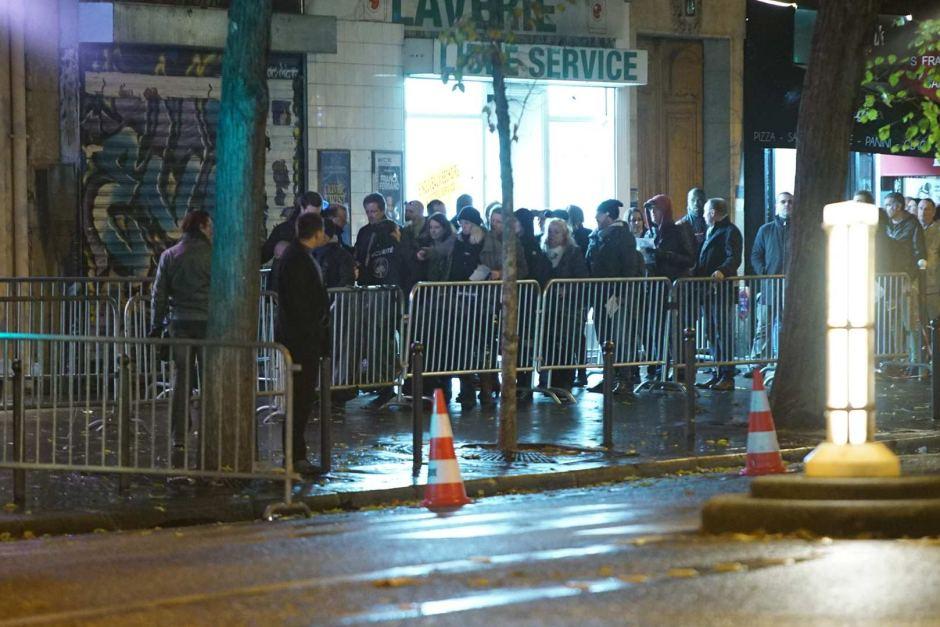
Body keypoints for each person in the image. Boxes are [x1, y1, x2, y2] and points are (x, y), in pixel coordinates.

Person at [151, 210, 213, 450]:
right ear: (202, 225)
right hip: (208, 323)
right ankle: (209, 427)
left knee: (181, 379)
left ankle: (179, 433)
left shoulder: (169, 256)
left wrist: (156, 325)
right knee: (209, 377)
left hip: (179, 323)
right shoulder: (213, 256)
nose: (212, 230)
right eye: (210, 225)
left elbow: (159, 294)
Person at [273, 212, 330, 473]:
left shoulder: (297, 257)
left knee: (301, 399)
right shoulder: (298, 260)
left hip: (302, 338)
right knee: (300, 399)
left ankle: (296, 454)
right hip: (301, 340)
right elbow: (301, 304)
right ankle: (295, 456)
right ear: (317, 233)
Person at [353, 193, 406, 408]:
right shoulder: (366, 232)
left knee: (384, 338)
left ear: (383, 209)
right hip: (370, 288)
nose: (371, 215)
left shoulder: (392, 229)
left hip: (387, 290)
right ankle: (382, 382)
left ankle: (388, 385)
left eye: (374, 211)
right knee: (376, 339)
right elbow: (359, 254)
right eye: (368, 212)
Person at [585, 198, 640, 395]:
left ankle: (624, 378)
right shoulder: (597, 236)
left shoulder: (622, 237)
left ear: (607, 215)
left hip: (615, 295)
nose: (595, 218)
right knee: (605, 336)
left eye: (598, 214)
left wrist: (623, 293)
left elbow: (629, 267)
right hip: (600, 295)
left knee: (619, 336)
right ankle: (610, 377)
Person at [693, 198, 743, 392]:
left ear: (713, 212)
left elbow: (734, 257)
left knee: (723, 333)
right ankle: (717, 372)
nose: (704, 216)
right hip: (709, 291)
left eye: (706, 212)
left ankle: (727, 375)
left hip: (721, 290)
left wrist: (723, 270)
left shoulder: (730, 232)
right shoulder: (711, 231)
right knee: (712, 333)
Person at [541, 218, 589, 392]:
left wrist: (568, 289)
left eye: (556, 232)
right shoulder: (542, 251)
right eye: (550, 231)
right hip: (549, 305)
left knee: (566, 342)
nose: (552, 235)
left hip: (569, 305)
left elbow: (582, 276)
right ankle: (550, 380)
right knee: (548, 342)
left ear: (565, 235)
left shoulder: (573, 252)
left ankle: (566, 381)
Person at [749, 191, 793, 365]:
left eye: (790, 202)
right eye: (783, 202)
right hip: (770, 286)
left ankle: (784, 361)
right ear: (777, 205)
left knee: (786, 326)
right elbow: (755, 255)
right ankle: (758, 361)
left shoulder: (798, 229)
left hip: (790, 287)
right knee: (764, 326)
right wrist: (765, 273)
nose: (787, 205)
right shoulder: (766, 230)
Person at [261, 191, 325, 264]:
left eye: (316, 215)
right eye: (310, 214)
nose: (313, 219)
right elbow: (265, 255)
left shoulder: (323, 231)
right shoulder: (284, 230)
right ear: (302, 208)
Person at [918, 198, 940, 322]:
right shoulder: (913, 228)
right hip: (916, 282)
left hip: (934, 283)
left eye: (927, 209)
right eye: (920, 208)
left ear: (933, 211)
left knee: (934, 319)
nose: (923, 212)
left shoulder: (938, 230)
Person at [677, 187, 708, 258]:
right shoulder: (681, 225)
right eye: (692, 200)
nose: (696, 203)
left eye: (699, 200)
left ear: (705, 201)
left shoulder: (713, 222)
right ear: (688, 202)